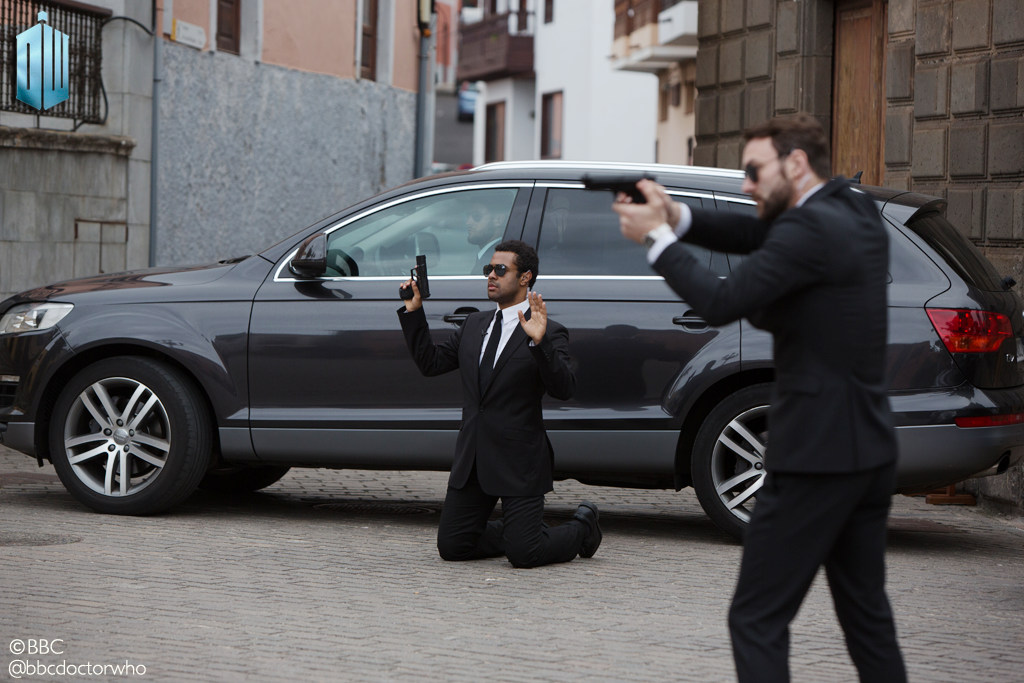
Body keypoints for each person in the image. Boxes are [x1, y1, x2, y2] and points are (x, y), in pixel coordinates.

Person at [614, 115, 906, 683]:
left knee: (755, 620)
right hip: (868, 449)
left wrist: (655, 238)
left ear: (795, 163)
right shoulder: (853, 212)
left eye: (753, 170)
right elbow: (755, 234)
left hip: (814, 458)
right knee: (867, 620)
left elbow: (720, 302)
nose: (746, 184)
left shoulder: (808, 229)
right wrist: (677, 215)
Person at [397, 239, 602, 568]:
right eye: (488, 269)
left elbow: (564, 388)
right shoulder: (474, 324)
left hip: (519, 461)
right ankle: (519, 531)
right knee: (453, 546)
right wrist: (413, 311)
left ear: (525, 277)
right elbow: (430, 363)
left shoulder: (549, 331)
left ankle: (581, 528)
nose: (491, 275)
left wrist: (539, 342)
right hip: (475, 457)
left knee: (525, 554)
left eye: (500, 269)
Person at [466, 199, 508, 275]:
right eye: (468, 215)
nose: (468, 222)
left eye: (476, 215)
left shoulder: (495, 260)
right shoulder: (499, 254)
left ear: (498, 220)